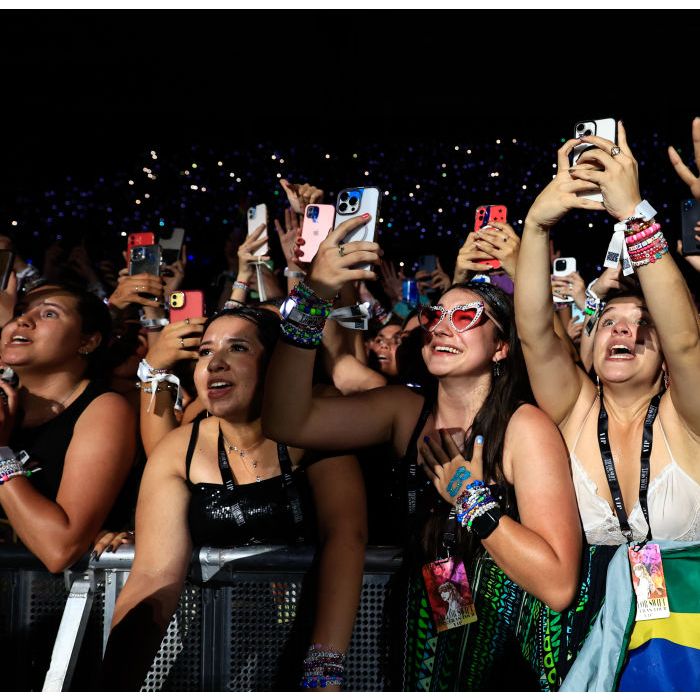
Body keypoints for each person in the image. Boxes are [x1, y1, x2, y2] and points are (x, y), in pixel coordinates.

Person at [262, 216, 582, 691]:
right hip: (427, 634)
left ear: (500, 348)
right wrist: (313, 296)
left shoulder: (523, 427)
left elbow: (557, 585)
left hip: (512, 646)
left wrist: (468, 495)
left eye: (466, 317)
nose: (441, 327)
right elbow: (285, 421)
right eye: (434, 315)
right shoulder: (404, 412)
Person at [515, 121, 700, 688]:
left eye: (642, 325)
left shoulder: (688, 419)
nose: (625, 331)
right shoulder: (571, 411)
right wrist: (537, 225)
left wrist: (635, 215)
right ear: (590, 347)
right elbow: (533, 334)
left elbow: (688, 341)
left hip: (683, 646)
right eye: (610, 323)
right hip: (578, 642)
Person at [100, 306, 367, 691]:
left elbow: (346, 537)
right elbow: (152, 576)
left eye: (237, 348)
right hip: (229, 648)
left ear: (278, 364)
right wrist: (113, 685)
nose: (215, 364)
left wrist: (322, 672)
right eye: (205, 352)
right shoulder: (178, 449)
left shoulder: (322, 421)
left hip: (343, 640)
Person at [0, 282, 136, 572]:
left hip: (50, 603)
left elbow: (59, 549)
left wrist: (1, 455)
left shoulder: (104, 410)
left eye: (49, 314)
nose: (24, 319)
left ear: (87, 341)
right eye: (21, 311)